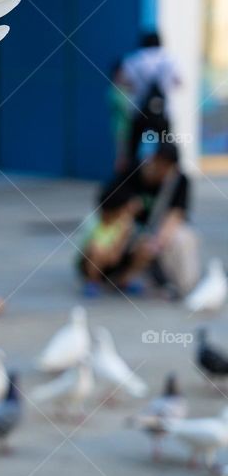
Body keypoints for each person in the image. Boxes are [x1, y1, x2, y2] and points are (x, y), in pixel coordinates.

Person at [124, 142, 199, 296]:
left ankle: (187, 287)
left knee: (184, 239)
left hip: (159, 232)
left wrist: (157, 242)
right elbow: (111, 202)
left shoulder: (179, 180)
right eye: (161, 164)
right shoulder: (136, 173)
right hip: (134, 229)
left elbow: (176, 214)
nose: (164, 170)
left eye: (168, 166)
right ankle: (124, 277)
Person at [120, 32, 181, 171]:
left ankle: (131, 175)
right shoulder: (170, 59)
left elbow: (125, 83)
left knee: (133, 147)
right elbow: (179, 83)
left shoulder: (133, 59)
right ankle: (168, 174)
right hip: (163, 111)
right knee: (166, 145)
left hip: (139, 110)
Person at [78, 185, 141, 297]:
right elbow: (92, 250)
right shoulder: (93, 222)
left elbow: (116, 256)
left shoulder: (125, 223)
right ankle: (92, 281)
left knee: (145, 245)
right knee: (97, 249)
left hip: (114, 258)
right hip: (92, 263)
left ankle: (123, 281)